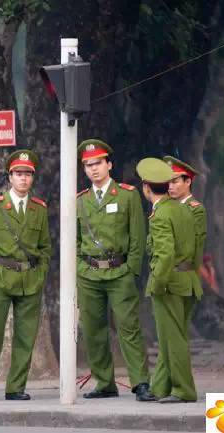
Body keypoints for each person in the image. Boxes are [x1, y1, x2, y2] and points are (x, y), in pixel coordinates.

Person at [0, 149, 52, 403]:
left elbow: (45, 248)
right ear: (10, 177)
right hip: (2, 279)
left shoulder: (39, 209)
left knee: (25, 337)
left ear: (33, 178)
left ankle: (15, 387)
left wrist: (40, 273)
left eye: (28, 174)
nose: (23, 178)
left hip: (30, 280)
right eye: (18, 173)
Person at [75, 139, 153, 401]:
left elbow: (137, 237)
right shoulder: (80, 201)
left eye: (97, 163)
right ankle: (104, 383)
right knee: (93, 330)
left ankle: (140, 382)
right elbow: (73, 240)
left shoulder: (127, 195)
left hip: (120, 272)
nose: (93, 169)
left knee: (128, 328)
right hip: (89, 273)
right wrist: (80, 268)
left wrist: (131, 270)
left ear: (109, 164)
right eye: (88, 165)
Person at [136, 158, 201, 403]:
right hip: (185, 279)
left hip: (170, 283)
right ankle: (161, 387)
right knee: (169, 338)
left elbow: (164, 254)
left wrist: (159, 283)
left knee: (173, 340)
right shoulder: (183, 208)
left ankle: (184, 390)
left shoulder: (161, 214)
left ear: (146, 188)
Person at [164, 156, 207, 274]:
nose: (170, 186)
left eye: (174, 181)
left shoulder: (196, 210)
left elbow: (197, 246)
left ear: (188, 182)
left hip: (183, 273)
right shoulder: (165, 208)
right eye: (168, 182)